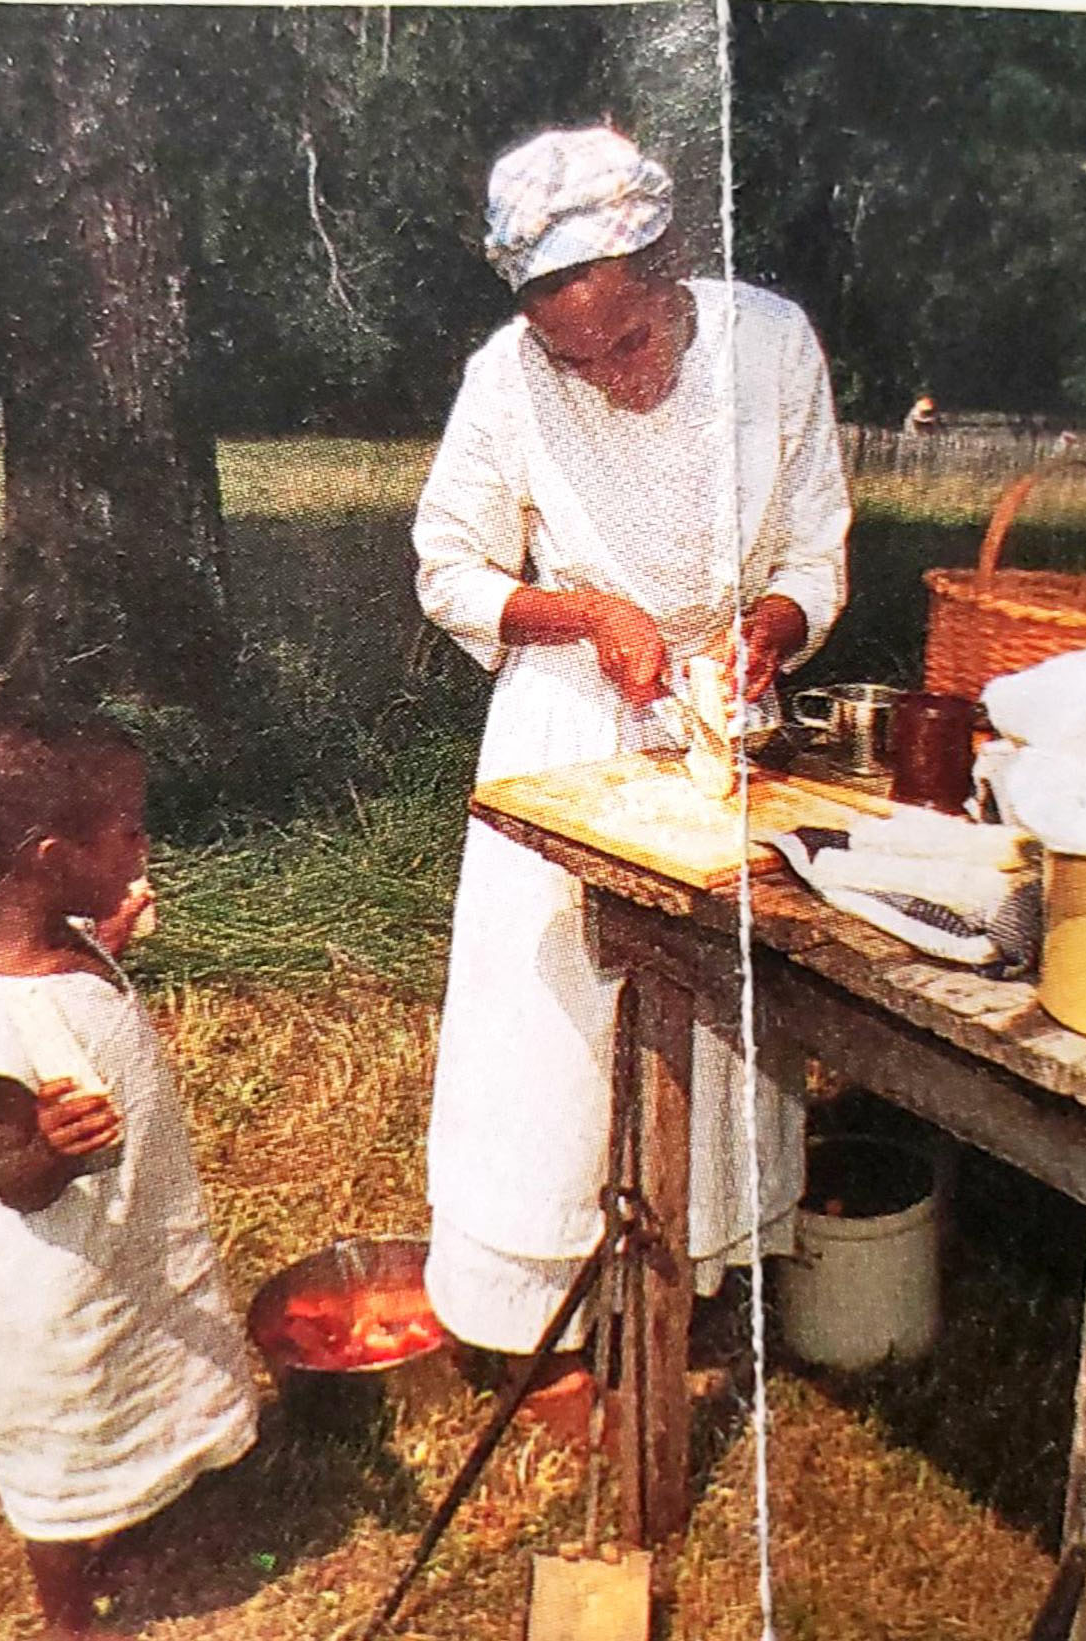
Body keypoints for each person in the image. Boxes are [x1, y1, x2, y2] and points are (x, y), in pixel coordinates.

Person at [413, 128, 851, 1403]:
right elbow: (450, 566)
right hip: (568, 722)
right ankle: (532, 1315)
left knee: (717, 1017)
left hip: (719, 721)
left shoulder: (774, 345)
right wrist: (588, 615)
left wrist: (770, 632)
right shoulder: (505, 379)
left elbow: (815, 552)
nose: (612, 374)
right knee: (555, 1017)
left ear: (670, 269)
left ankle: (692, 1290)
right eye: (578, 355)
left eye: (633, 340)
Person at [0, 707, 256, 1638]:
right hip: (49, 1285)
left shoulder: (63, 943)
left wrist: (107, 925)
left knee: (133, 1374)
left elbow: (83, 972)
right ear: (48, 854)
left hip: (112, 1251)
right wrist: (52, 1148)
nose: (145, 841)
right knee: (63, 1439)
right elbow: (12, 1179)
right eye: (126, 829)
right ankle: (69, 1613)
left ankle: (137, 1504)